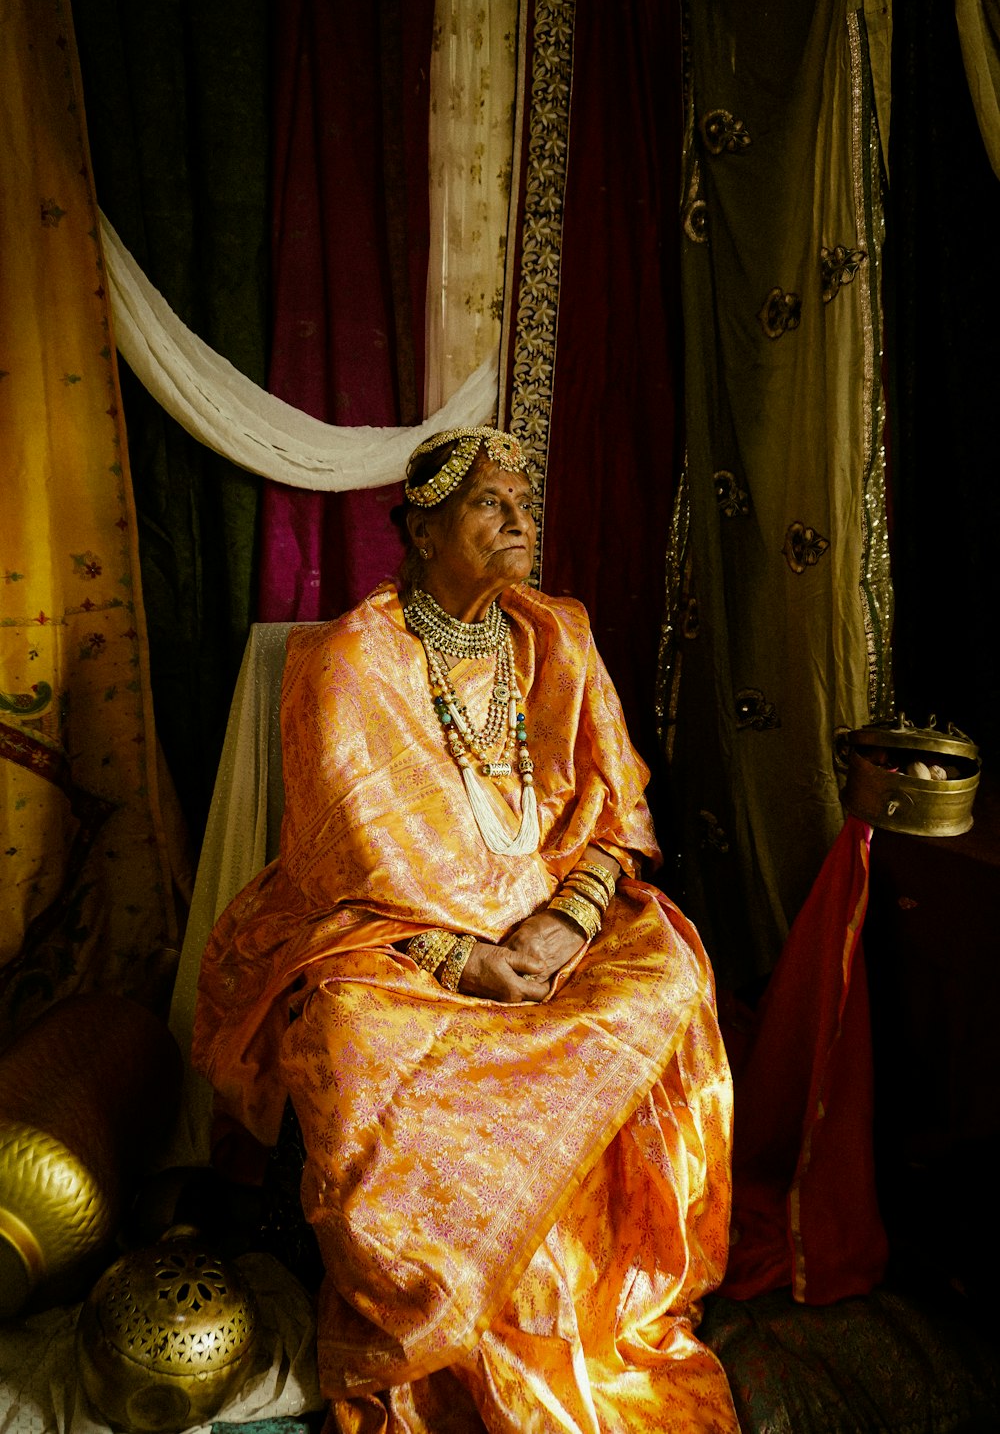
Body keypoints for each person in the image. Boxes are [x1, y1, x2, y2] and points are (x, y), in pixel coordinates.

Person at [193, 426, 738, 1432]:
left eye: (525, 503)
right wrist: (466, 959)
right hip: (386, 936)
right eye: (493, 503)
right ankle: (443, 1312)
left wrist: (563, 927)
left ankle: (593, 1300)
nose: (521, 521)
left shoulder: (555, 635)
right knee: (353, 1040)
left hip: (551, 921)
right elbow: (344, 867)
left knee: (664, 969)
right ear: (423, 528)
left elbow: (615, 818)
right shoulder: (349, 659)